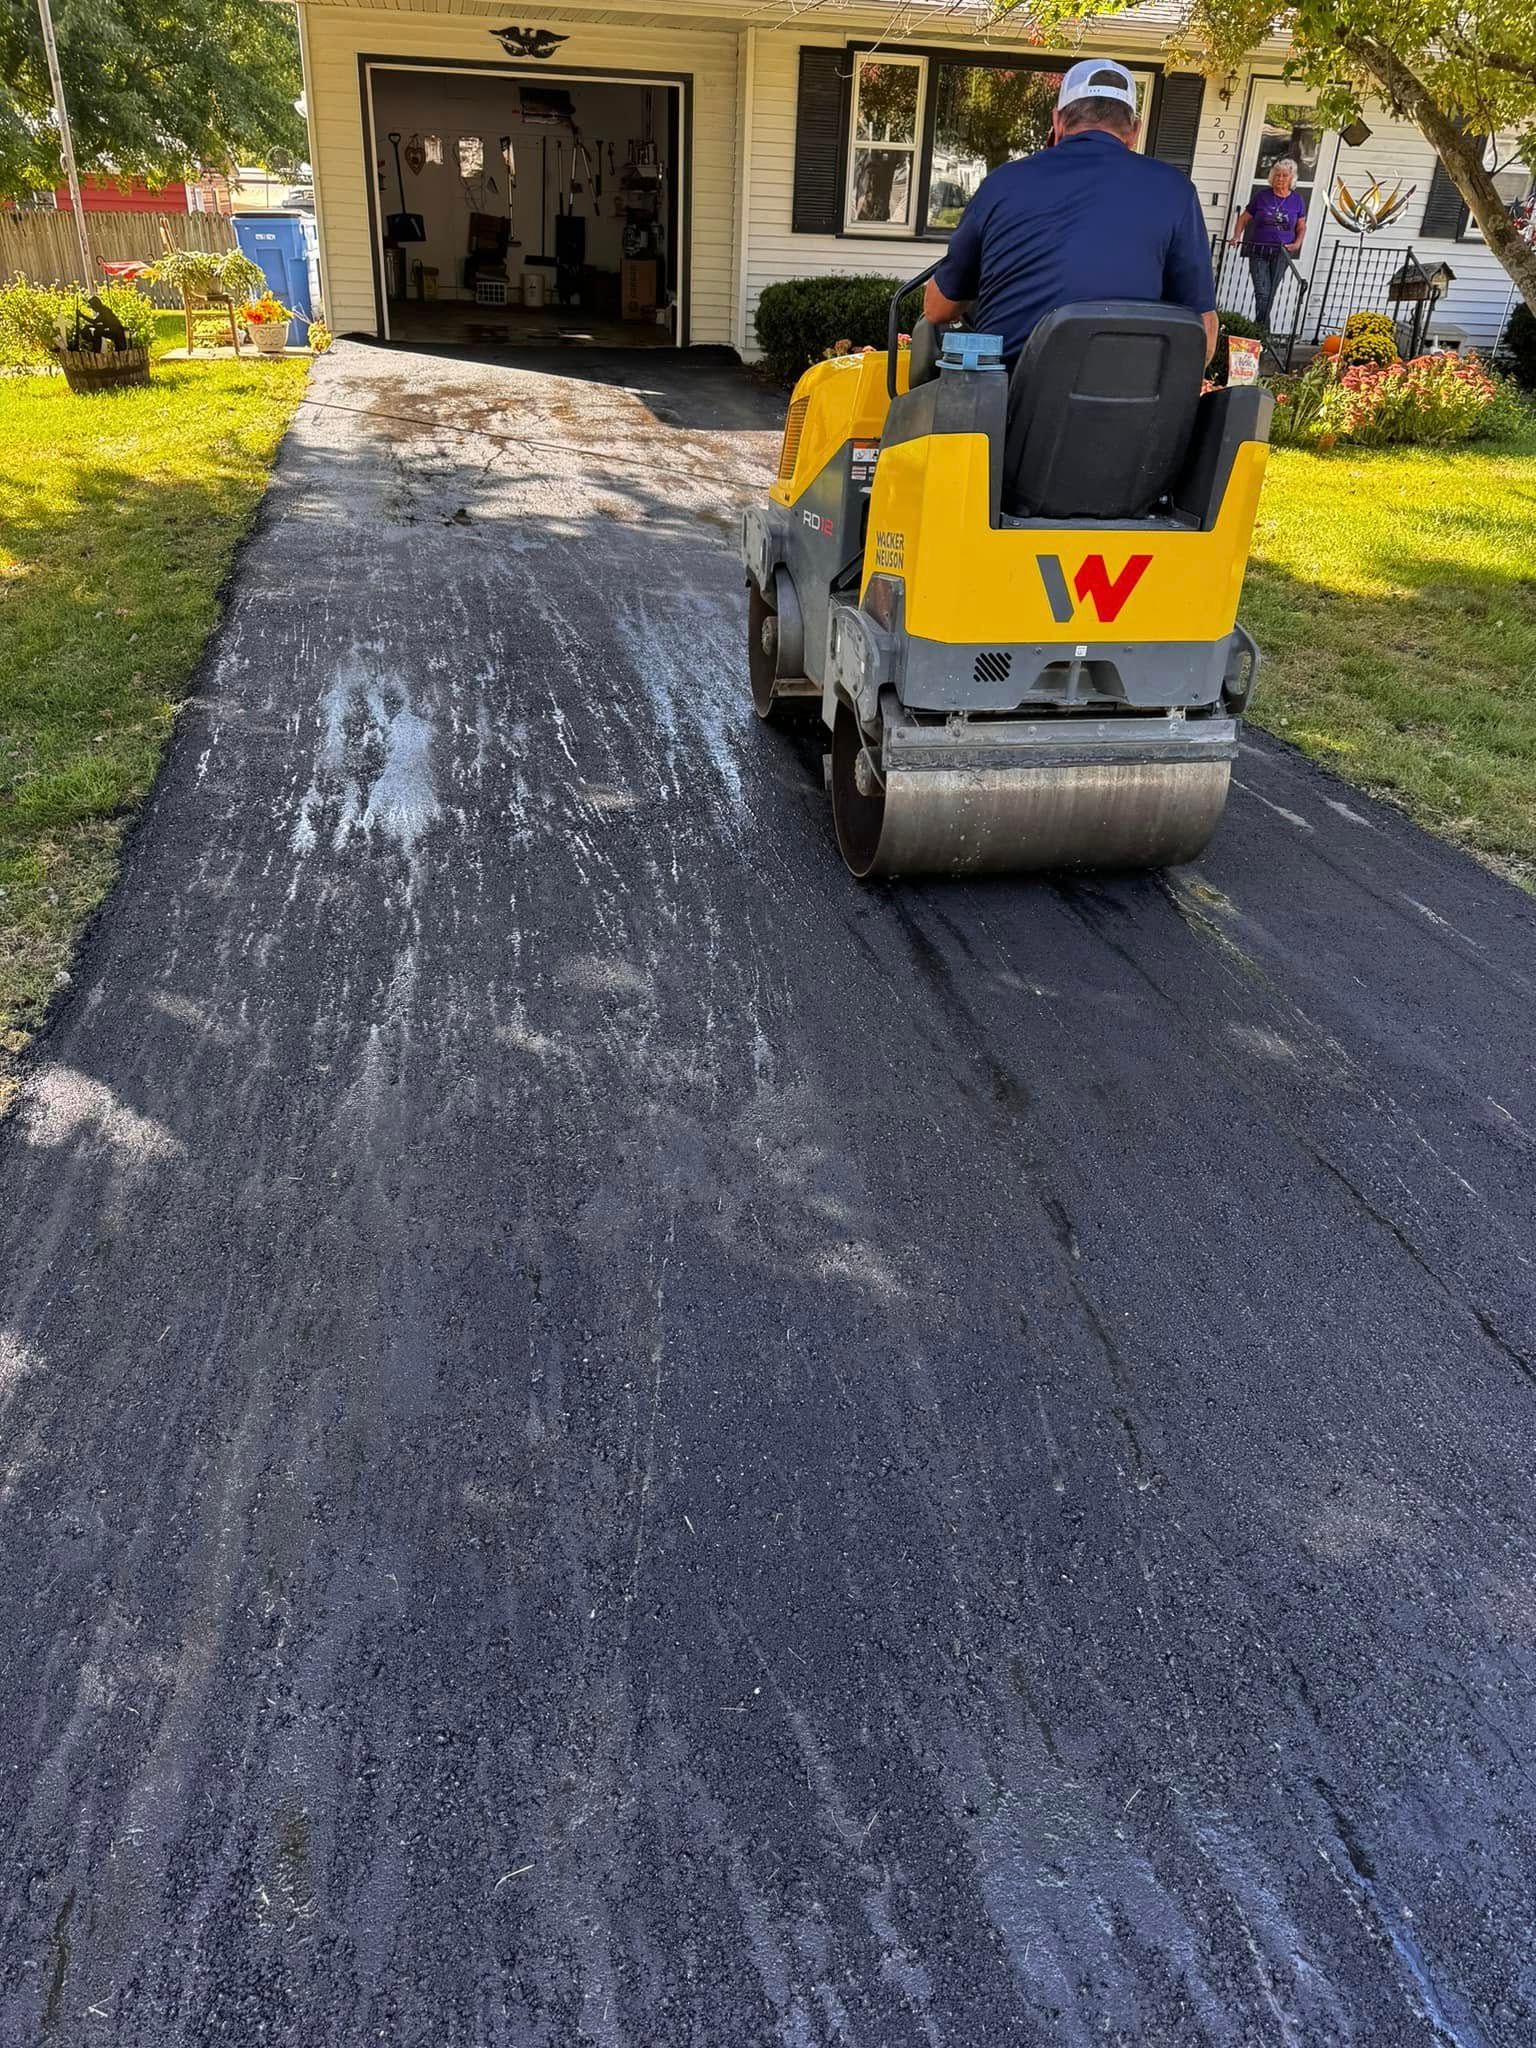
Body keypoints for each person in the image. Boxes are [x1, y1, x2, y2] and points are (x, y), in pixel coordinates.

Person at [923, 59, 1218, 370]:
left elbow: (936, 308)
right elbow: (1204, 332)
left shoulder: (1003, 183)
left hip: (1005, 395)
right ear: (1134, 130)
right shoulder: (1176, 191)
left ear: (1058, 121)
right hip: (1131, 396)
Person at [1231, 160, 1306, 330]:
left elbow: (1301, 226)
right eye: (1277, 175)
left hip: (1282, 253)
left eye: (1285, 175)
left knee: (1270, 294)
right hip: (1258, 250)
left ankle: (1259, 332)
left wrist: (1297, 243)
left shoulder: (1297, 200)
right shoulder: (1262, 196)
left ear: (1291, 178)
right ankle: (1263, 333)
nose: (1280, 178)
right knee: (1262, 293)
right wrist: (1236, 236)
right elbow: (1243, 218)